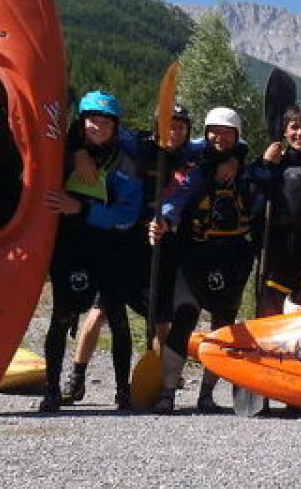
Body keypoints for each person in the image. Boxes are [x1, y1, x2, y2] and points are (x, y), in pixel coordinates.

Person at [61, 104, 202, 405]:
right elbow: (93, 130)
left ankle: (163, 383)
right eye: (169, 125)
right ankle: (76, 377)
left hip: (161, 240)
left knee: (160, 318)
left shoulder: (190, 158)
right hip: (124, 239)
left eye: (181, 127)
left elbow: (184, 191)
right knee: (100, 311)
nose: (174, 132)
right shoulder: (136, 144)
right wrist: (78, 150)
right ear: (156, 125)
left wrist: (163, 219)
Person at [40, 90, 143, 413]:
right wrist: (76, 151)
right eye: (91, 120)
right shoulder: (64, 153)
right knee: (62, 316)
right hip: (71, 248)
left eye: (105, 121)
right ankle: (52, 389)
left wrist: (81, 208)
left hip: (111, 249)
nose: (98, 125)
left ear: (115, 126)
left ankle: (123, 392)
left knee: (118, 319)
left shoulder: (124, 163)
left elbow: (128, 215)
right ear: (81, 123)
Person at [148, 107, 253, 414]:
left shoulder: (245, 169)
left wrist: (239, 159)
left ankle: (206, 394)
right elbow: (177, 198)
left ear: (237, 136)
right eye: (213, 132)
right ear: (205, 134)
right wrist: (164, 220)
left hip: (232, 257)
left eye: (226, 133)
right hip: (196, 255)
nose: (218, 138)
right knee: (183, 319)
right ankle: (168, 391)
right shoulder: (196, 168)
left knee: (222, 327)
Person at [245, 105, 301, 315]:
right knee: (269, 314)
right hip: (275, 254)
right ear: (284, 131)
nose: (300, 133)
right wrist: (266, 163)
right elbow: (249, 191)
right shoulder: (273, 162)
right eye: (294, 127)